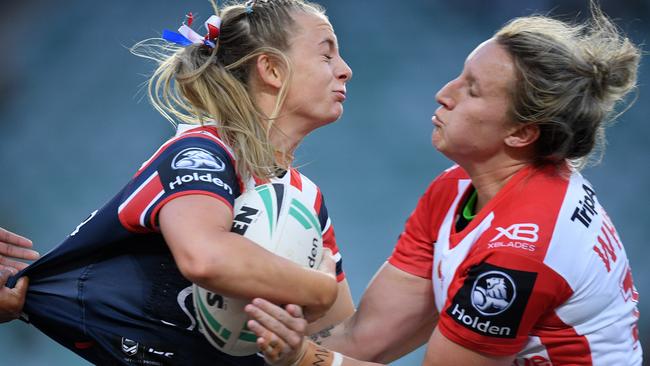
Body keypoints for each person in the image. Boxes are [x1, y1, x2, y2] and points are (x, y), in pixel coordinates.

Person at [243, 2, 643, 365]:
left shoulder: (521, 250)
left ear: (522, 133)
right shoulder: (455, 189)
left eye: (472, 90)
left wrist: (303, 357)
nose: (443, 94)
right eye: (460, 76)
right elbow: (366, 339)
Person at [0, 0, 354, 365]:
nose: (346, 71)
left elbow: (347, 344)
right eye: (327, 56)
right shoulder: (201, 153)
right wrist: (318, 290)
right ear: (271, 69)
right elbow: (205, 258)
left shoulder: (306, 199)